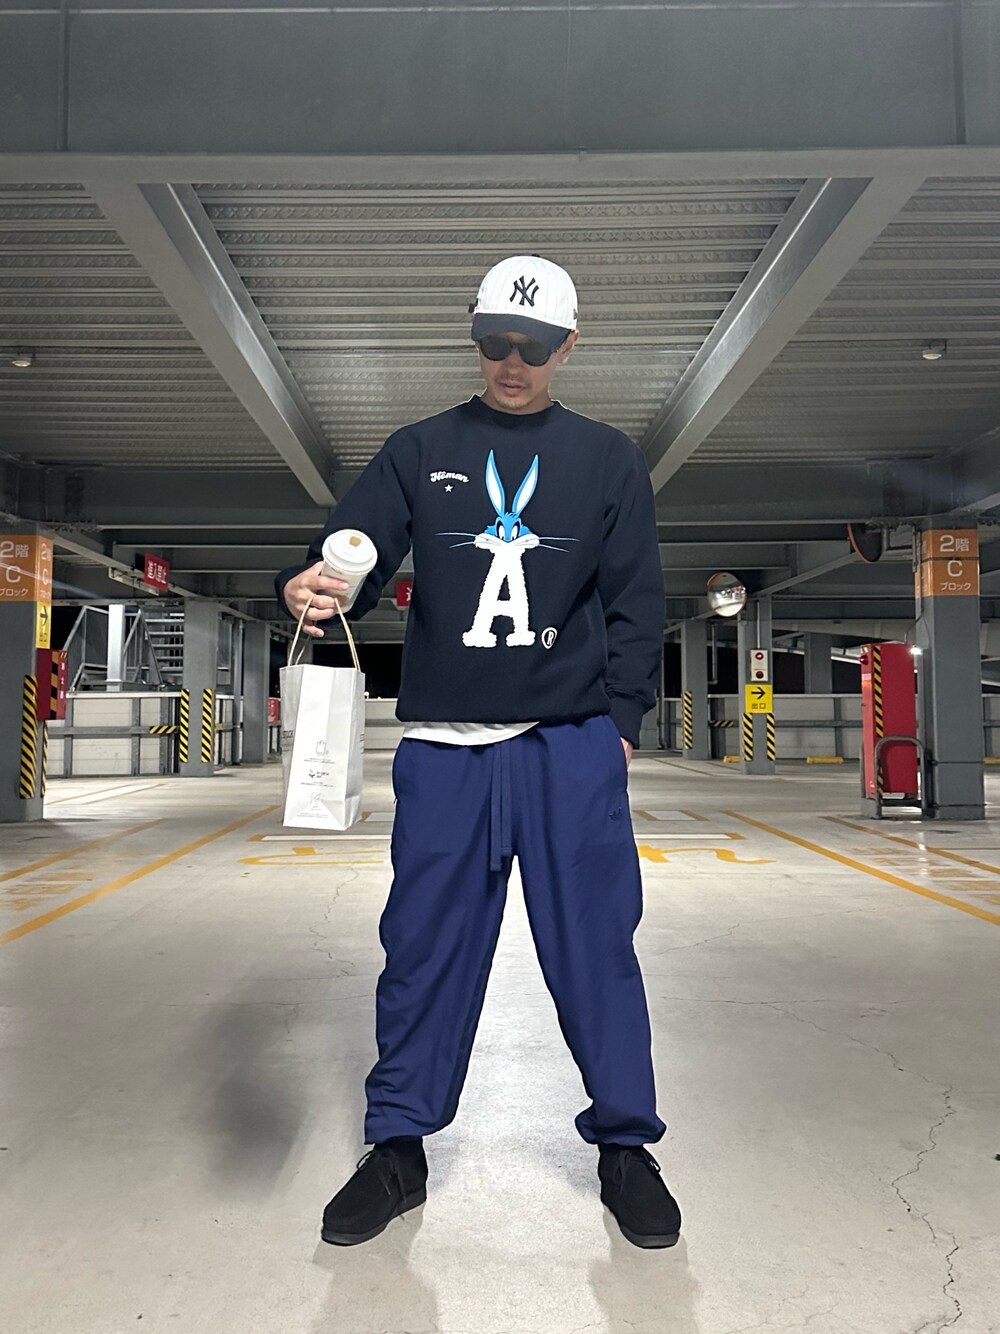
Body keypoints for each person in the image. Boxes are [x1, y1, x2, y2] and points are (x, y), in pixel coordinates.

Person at [276, 255, 681, 1250]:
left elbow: (636, 601)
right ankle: (398, 1146)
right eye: (495, 342)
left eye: (532, 347)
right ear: (475, 335)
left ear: (567, 346)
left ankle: (626, 1145)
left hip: (568, 741)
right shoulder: (420, 448)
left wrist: (620, 724)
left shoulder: (606, 457)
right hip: (446, 746)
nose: (511, 362)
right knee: (422, 947)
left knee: (595, 948)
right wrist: (317, 582)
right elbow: (357, 548)